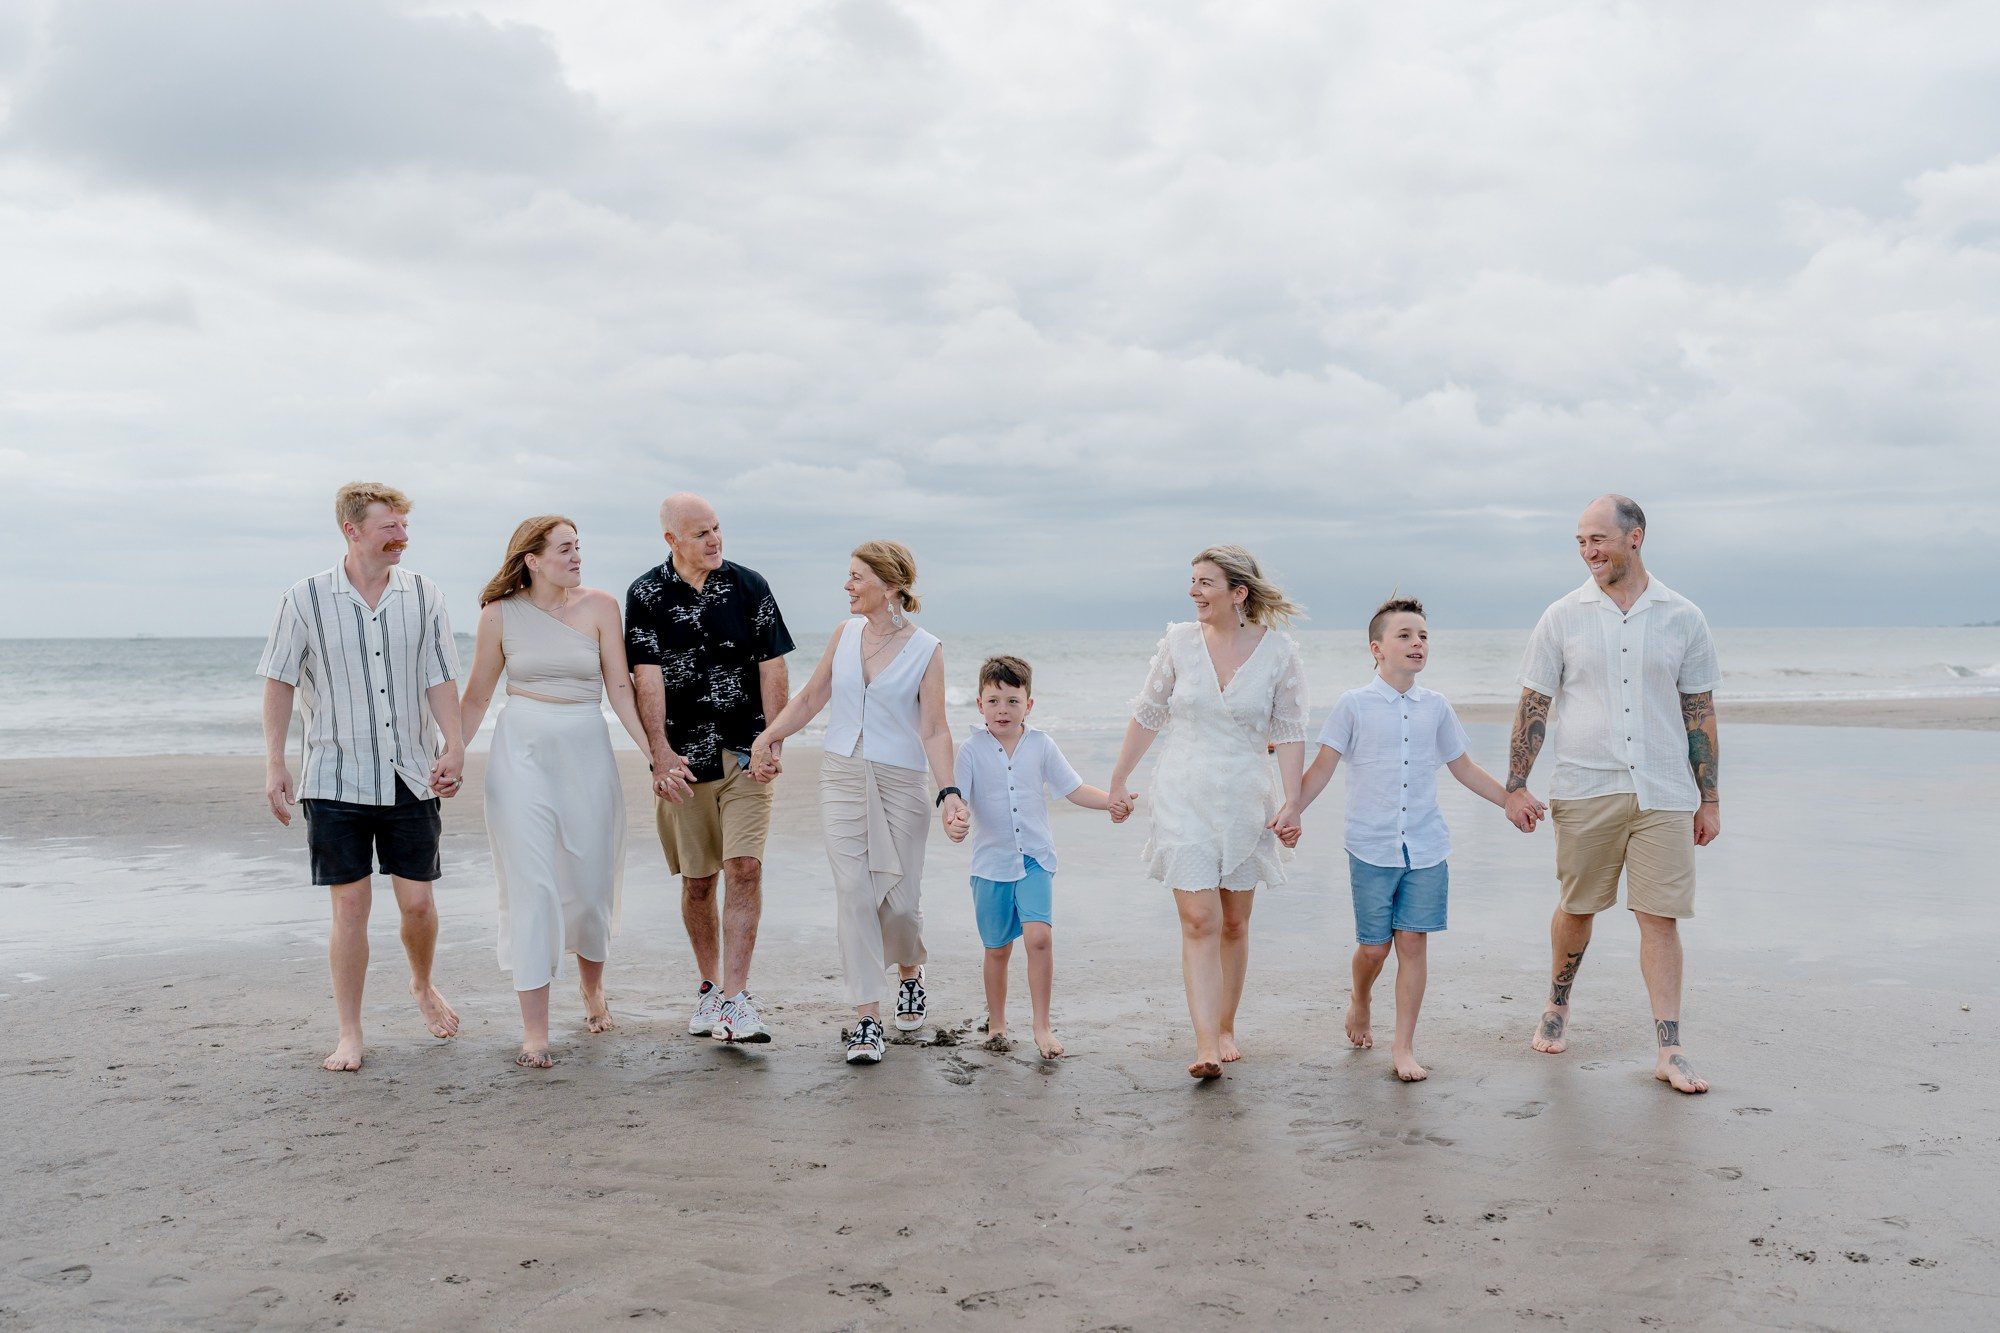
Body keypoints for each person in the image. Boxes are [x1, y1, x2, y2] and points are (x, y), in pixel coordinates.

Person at [1502, 495, 1721, 1095]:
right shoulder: (1562, 616)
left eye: (1597, 539)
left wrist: (1710, 798)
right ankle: (1557, 1002)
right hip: (1585, 786)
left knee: (1661, 918)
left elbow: (1698, 711)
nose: (1588, 552)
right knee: (1578, 908)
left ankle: (1670, 1047)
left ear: (1636, 537)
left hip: (1663, 792)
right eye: (1580, 542)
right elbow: (1534, 704)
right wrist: (1516, 784)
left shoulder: (1683, 617)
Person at [257, 481, 466, 1073]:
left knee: (418, 904)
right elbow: (279, 681)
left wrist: (454, 745)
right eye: (389, 527)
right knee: (350, 909)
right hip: (333, 775)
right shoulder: (305, 598)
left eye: (403, 526)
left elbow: (440, 677)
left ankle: (421, 984)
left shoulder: (425, 595)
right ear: (352, 531)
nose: (402, 537)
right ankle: (350, 1032)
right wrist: (276, 761)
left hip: (410, 772)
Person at [750, 541, 967, 1065]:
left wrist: (950, 792)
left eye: (856, 577)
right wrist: (768, 737)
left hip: (901, 781)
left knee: (900, 901)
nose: (846, 586)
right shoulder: (845, 635)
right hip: (842, 774)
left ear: (889, 585)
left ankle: (910, 971)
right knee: (853, 892)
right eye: (847, 576)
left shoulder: (926, 648)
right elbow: (809, 698)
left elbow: (935, 728)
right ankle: (867, 1019)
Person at [1296, 596, 1530, 1082]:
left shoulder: (1436, 707)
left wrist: (1509, 799)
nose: (1417, 643)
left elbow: (1462, 767)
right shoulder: (1352, 705)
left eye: (1423, 636)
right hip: (1370, 846)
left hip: (1426, 846)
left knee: (1413, 945)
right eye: (1404, 636)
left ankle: (1403, 1048)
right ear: (1377, 649)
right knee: (1374, 949)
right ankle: (1360, 999)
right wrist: (1290, 809)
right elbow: (1322, 769)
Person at [1107, 545, 1309, 1080]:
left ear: (1237, 593)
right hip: (1183, 794)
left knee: (1235, 923)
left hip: (1245, 799)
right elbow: (1148, 714)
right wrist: (1118, 778)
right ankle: (1205, 1045)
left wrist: (1293, 802)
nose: (1193, 591)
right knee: (1201, 919)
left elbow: (1288, 732)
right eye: (1192, 581)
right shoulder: (1178, 643)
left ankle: (1225, 1025)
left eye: (1205, 583)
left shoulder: (1279, 654)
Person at [457, 517, 649, 1067]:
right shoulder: (499, 615)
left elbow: (619, 688)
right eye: (565, 549)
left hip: (586, 750)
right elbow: (475, 698)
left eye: (579, 548)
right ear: (532, 559)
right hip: (521, 755)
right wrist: (452, 754)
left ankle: (592, 990)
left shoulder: (602, 607)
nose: (576, 557)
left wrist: (655, 756)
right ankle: (534, 1033)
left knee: (589, 888)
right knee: (533, 887)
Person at [625, 493, 794, 1044]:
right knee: (699, 883)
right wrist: (658, 752)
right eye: (700, 533)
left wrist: (773, 739)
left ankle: (737, 998)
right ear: (671, 539)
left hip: (747, 753)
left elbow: (773, 667)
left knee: (745, 868)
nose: (714, 540)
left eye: (717, 528)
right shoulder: (646, 593)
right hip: (683, 762)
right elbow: (644, 676)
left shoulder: (750, 586)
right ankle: (709, 987)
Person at [955, 655, 1123, 1060]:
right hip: (990, 865)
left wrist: (1111, 801)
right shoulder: (970, 751)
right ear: (979, 704)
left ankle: (1041, 1025)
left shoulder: (1042, 744)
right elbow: (955, 802)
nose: (1002, 710)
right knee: (996, 949)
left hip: (1034, 859)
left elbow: (1074, 788)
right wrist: (954, 823)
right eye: (993, 701)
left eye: (1013, 701)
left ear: (1029, 705)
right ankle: (997, 1023)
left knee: (1040, 938)